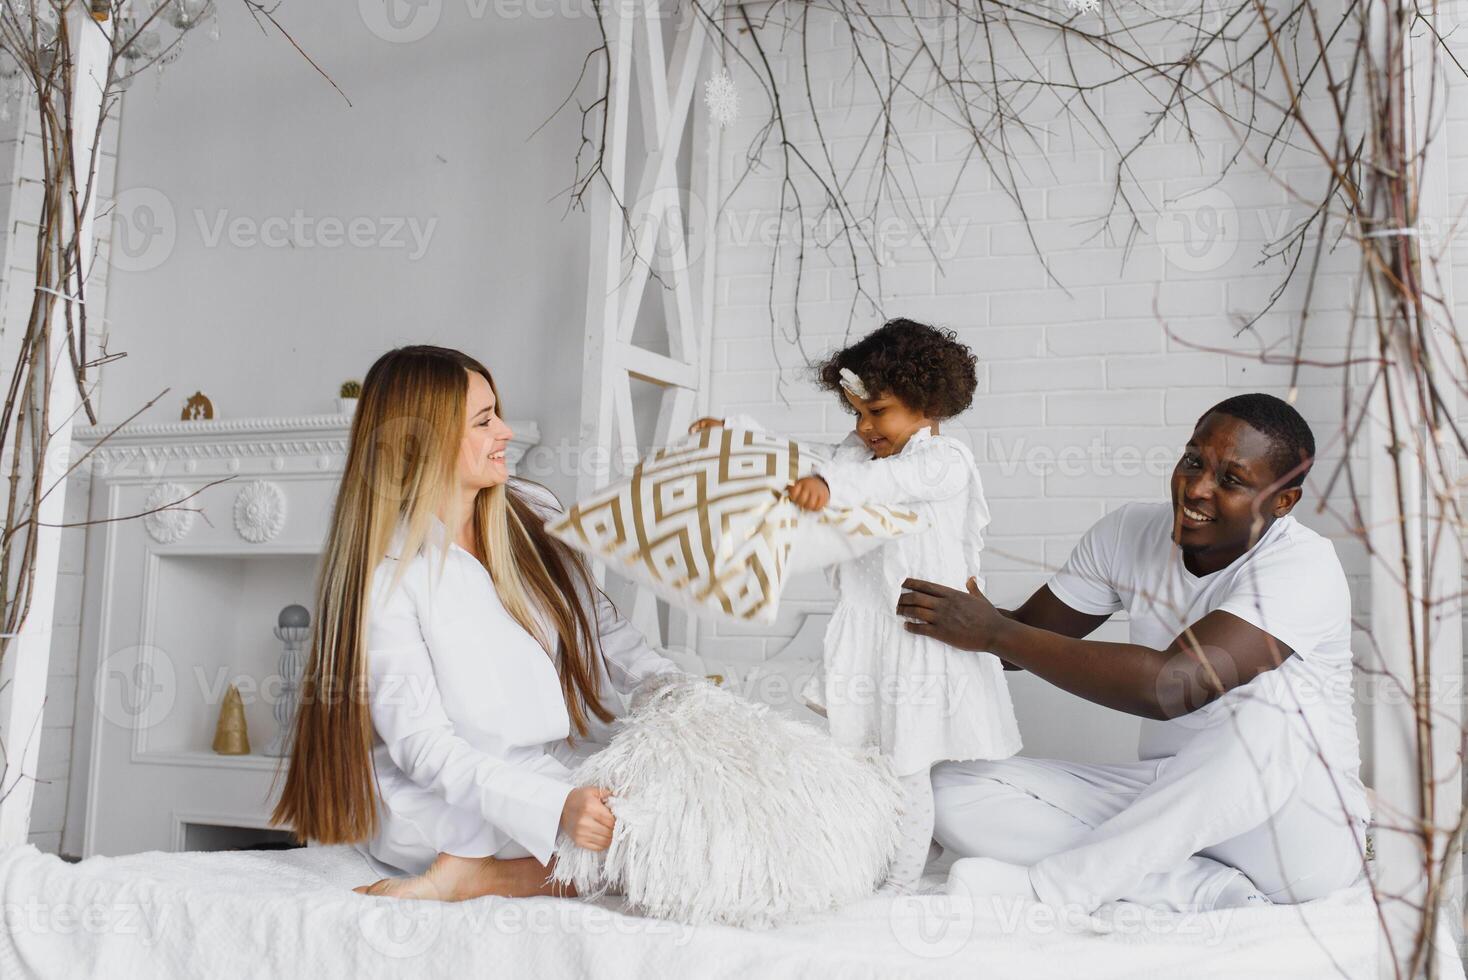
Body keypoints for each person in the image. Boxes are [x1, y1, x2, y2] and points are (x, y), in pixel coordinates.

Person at [897, 392, 1369, 911]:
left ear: (1283, 502)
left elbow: (1172, 686)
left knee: (1276, 705)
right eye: (1193, 461)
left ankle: (1053, 888)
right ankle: (1206, 890)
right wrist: (942, 608)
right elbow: (1021, 642)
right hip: (1170, 798)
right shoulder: (1128, 532)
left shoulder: (1303, 565)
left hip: (1297, 830)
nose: (1197, 487)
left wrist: (994, 633)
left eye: (1231, 480)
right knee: (949, 791)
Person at [269, 345, 678, 902]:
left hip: (542, 770)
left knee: (688, 825)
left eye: (497, 413)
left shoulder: (530, 512)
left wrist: (675, 693)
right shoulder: (389, 576)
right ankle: (478, 875)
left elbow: (601, 627)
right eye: (485, 421)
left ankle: (493, 871)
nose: (507, 432)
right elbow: (425, 750)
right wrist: (556, 808)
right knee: (651, 854)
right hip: (448, 795)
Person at [692, 318, 1021, 892]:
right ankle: (876, 858)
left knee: (906, 767)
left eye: (879, 412)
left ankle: (898, 889)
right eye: (857, 414)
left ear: (926, 404)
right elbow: (813, 459)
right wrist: (739, 438)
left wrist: (832, 489)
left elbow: (882, 486)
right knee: (870, 760)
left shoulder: (943, 462)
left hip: (921, 633)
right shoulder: (862, 452)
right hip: (873, 632)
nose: (865, 428)